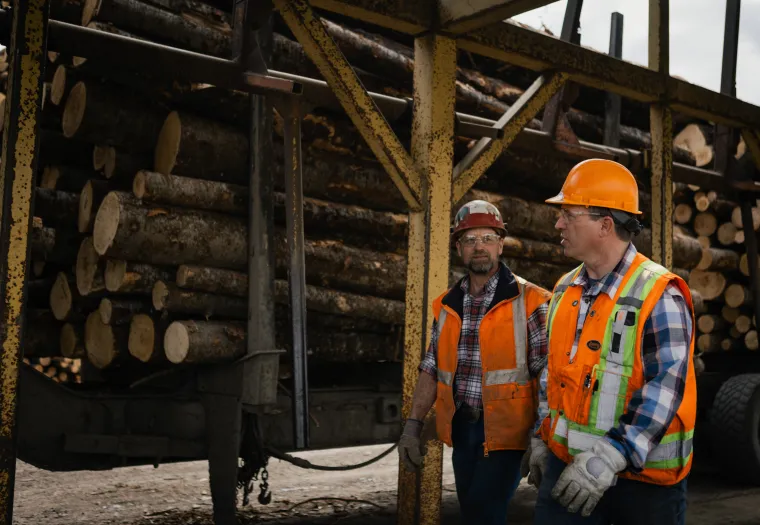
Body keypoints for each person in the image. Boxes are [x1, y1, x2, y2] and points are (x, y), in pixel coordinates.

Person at [526, 159, 695, 525]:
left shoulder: (659, 293)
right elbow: (552, 375)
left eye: (569, 215)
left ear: (605, 225)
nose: (558, 224)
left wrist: (610, 456)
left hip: (642, 490)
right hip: (567, 472)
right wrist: (543, 436)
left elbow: (664, 389)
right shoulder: (563, 290)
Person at [397, 199, 552, 525]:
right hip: (462, 429)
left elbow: (548, 374)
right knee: (472, 509)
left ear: (500, 244)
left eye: (486, 238)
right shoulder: (447, 305)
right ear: (458, 248)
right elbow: (430, 367)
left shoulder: (531, 300)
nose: (478, 247)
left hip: (507, 433)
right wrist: (413, 425)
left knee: (483, 512)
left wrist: (542, 436)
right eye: (469, 240)